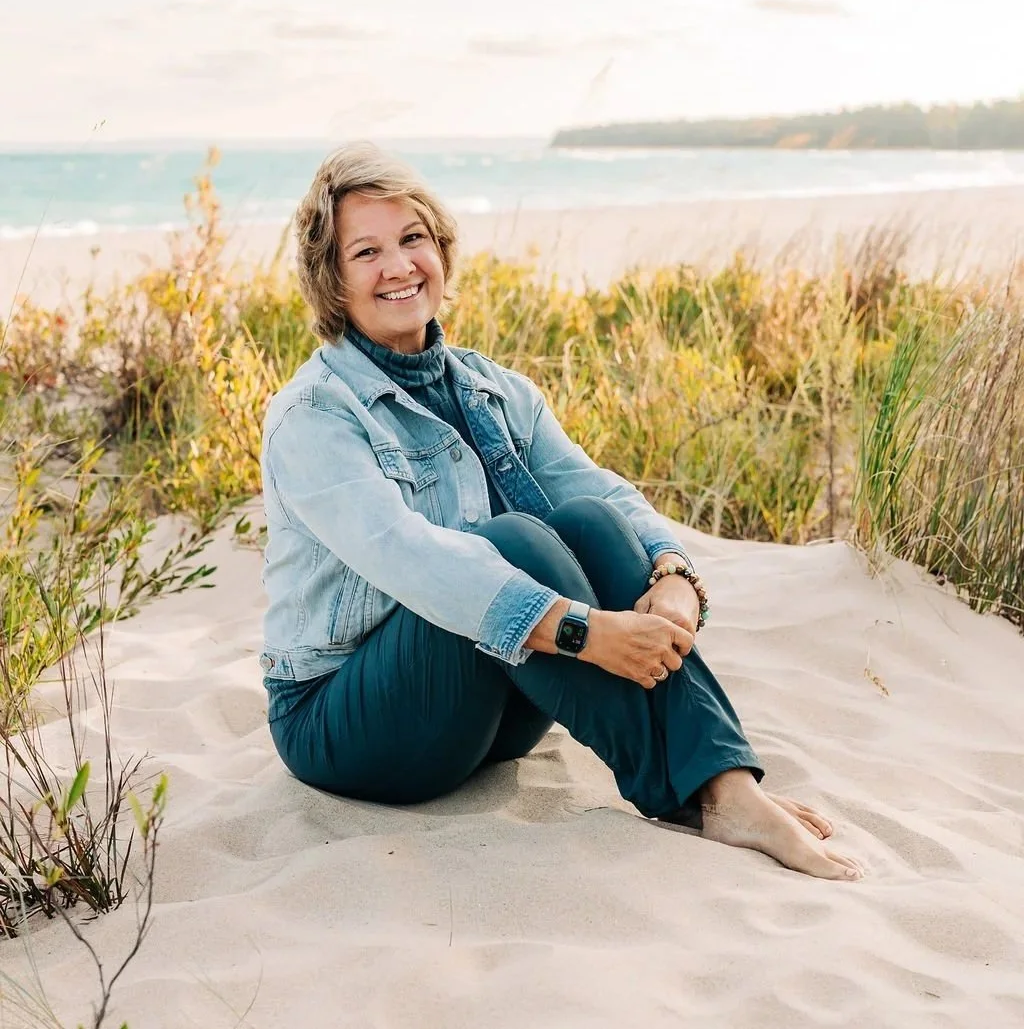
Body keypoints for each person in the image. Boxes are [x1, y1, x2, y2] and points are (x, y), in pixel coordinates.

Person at [259, 141, 863, 882]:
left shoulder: (491, 386)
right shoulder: (314, 414)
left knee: (586, 523)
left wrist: (673, 574)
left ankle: (727, 789)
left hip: (488, 714)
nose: (399, 265)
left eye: (413, 238)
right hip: (351, 723)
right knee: (511, 540)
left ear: (440, 249)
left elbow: (598, 488)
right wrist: (584, 629)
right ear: (334, 282)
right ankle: (696, 791)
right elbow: (409, 555)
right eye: (367, 251)